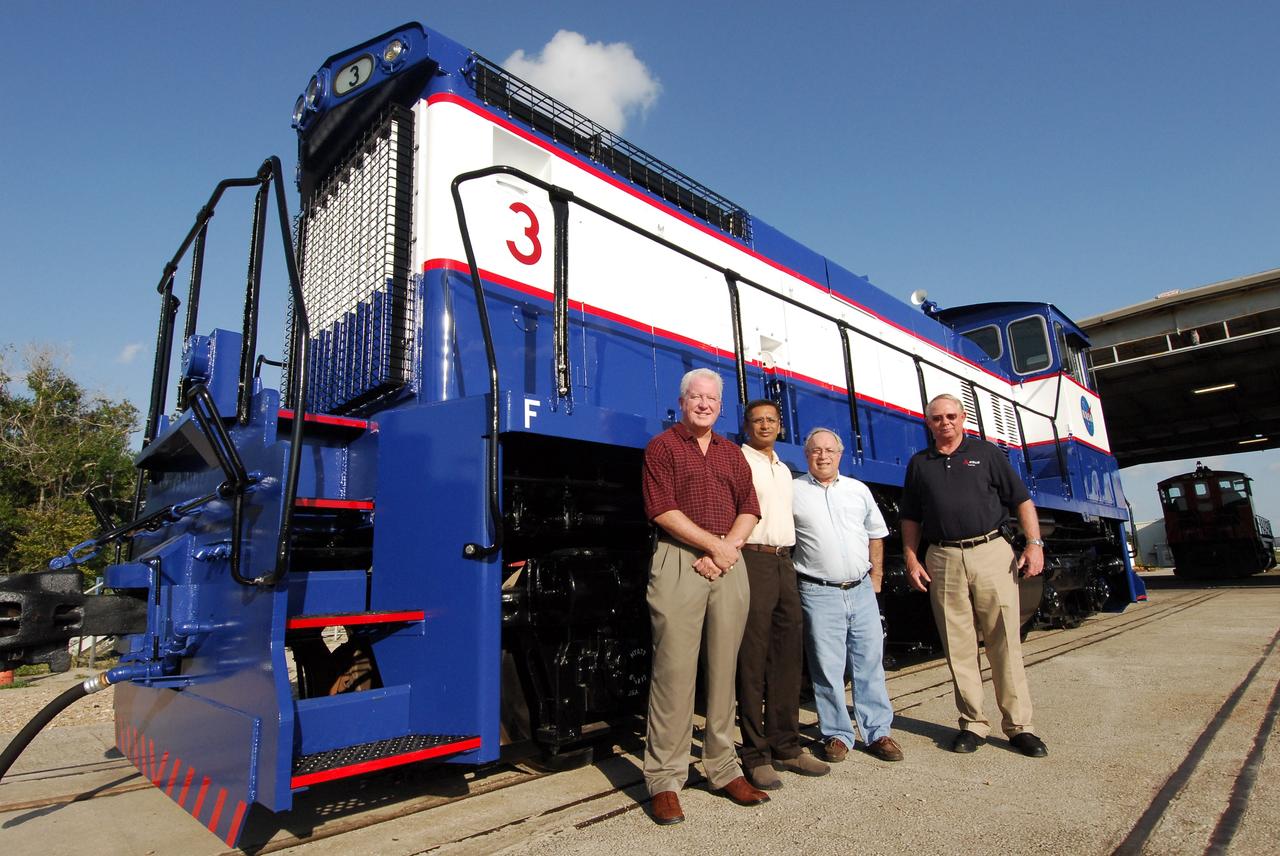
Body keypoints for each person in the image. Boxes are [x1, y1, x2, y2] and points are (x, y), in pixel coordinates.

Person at [640, 368, 769, 825]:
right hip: (680, 560)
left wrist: (725, 548)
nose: (703, 404)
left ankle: (721, 766)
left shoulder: (733, 454)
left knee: (723, 669)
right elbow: (661, 508)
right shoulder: (663, 447)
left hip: (728, 561)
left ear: (720, 406)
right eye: (696, 397)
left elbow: (750, 508)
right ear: (682, 401)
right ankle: (665, 778)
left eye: (711, 399)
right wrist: (713, 546)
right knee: (673, 671)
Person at [900, 393, 1049, 758]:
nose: (944, 422)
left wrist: (1034, 544)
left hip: (991, 552)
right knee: (958, 644)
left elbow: (1022, 500)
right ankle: (972, 723)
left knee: (1004, 640)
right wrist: (911, 559)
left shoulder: (987, 453)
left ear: (963, 418)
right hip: (943, 556)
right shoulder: (920, 463)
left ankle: (1019, 727)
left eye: (951, 416)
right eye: (936, 418)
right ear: (928, 423)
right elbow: (910, 516)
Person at [792, 428, 904, 764]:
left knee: (869, 661)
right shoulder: (793, 491)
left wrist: (877, 577)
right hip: (817, 589)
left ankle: (878, 731)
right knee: (827, 666)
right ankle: (837, 733)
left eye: (829, 450)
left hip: (861, 589)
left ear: (840, 454)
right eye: (815, 450)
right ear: (806, 454)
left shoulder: (859, 490)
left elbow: (876, 534)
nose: (823, 456)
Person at [735, 400, 830, 790]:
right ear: (746, 426)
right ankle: (755, 754)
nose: (765, 426)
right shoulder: (738, 461)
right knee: (753, 658)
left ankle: (787, 745)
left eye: (771, 420)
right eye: (757, 421)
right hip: (752, 558)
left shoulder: (783, 469)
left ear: (780, 426)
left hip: (783, 561)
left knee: (789, 655)